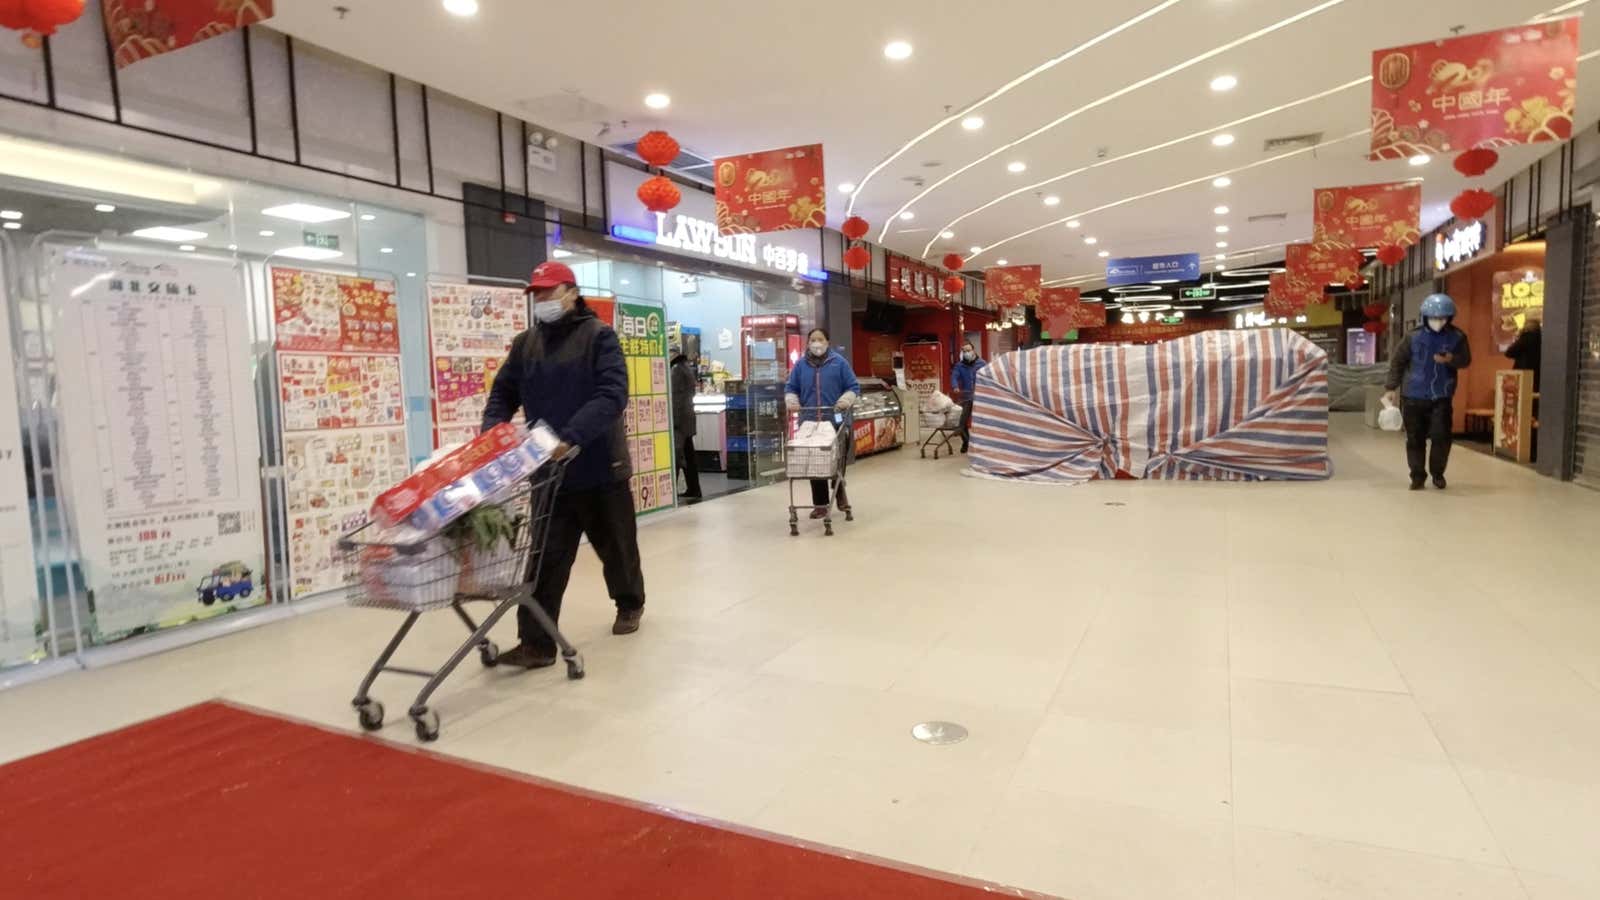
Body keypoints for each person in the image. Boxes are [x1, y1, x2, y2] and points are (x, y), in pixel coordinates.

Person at [481, 261, 645, 669]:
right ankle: (536, 643)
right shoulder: (526, 344)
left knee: (616, 547)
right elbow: (503, 392)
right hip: (549, 473)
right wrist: (492, 433)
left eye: (548, 292)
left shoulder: (599, 337)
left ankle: (629, 603)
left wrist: (570, 436)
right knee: (545, 557)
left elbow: (612, 394)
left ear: (571, 292)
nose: (541, 300)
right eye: (536, 294)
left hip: (599, 464)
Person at [1385, 293, 1472, 491]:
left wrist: (1451, 359)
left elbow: (1466, 361)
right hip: (1413, 395)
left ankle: (1438, 473)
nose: (1438, 322)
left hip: (1441, 396)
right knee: (1415, 438)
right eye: (1434, 318)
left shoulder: (1457, 337)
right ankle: (1417, 475)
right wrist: (1391, 387)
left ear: (1449, 318)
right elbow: (1398, 362)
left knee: (1441, 436)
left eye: (1443, 318)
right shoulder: (1412, 337)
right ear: (1425, 317)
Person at [784, 327, 859, 518]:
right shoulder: (801, 365)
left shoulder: (839, 363)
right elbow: (791, 387)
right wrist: (792, 401)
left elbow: (853, 386)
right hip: (809, 423)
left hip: (835, 420)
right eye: (813, 340)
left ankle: (838, 488)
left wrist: (845, 400)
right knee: (815, 463)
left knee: (837, 460)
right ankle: (820, 505)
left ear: (827, 342)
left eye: (820, 339)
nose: (816, 343)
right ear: (808, 343)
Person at [670, 346, 702, 502]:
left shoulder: (676, 370)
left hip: (679, 421)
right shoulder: (687, 368)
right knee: (689, 455)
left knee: (676, 455)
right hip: (688, 418)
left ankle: (670, 491)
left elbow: (675, 399)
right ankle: (694, 488)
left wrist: (672, 421)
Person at [950, 340, 987, 453]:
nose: (966, 352)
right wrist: (955, 386)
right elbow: (954, 377)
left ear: (973, 350)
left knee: (982, 421)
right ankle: (966, 441)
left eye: (968, 350)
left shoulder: (982, 364)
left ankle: (982, 445)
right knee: (961, 421)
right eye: (964, 351)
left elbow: (989, 377)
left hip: (980, 397)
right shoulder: (959, 365)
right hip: (965, 396)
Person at [1504, 310, 1542, 392]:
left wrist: (1518, 336)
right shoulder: (1542, 335)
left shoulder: (1527, 335)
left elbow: (1509, 352)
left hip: (1524, 374)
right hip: (1538, 375)